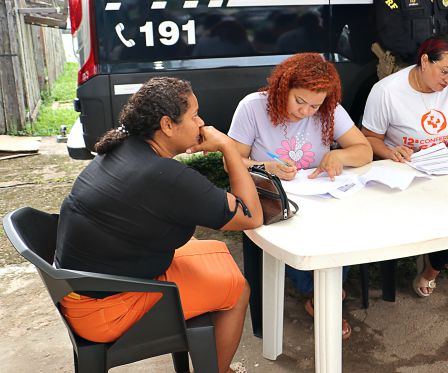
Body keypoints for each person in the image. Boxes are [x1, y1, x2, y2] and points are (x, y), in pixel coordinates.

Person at [55, 77, 262, 373]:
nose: (202, 123)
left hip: (85, 285)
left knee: (214, 249)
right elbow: (251, 216)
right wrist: (228, 147)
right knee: (238, 289)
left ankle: (212, 361)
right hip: (106, 307)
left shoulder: (123, 145)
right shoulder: (165, 177)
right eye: (194, 116)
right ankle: (217, 370)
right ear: (167, 125)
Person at [227, 52, 372, 339]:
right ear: (283, 88)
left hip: (318, 196)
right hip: (271, 198)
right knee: (293, 235)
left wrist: (338, 155)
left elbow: (364, 150)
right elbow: (230, 162)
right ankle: (319, 291)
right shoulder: (253, 107)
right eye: (300, 101)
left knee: (344, 227)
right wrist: (267, 166)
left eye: (314, 106)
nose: (306, 112)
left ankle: (323, 290)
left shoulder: (329, 109)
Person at [362, 35, 448, 297]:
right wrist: (389, 151)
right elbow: (368, 139)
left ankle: (432, 268)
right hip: (407, 171)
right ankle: (441, 249)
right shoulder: (387, 91)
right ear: (424, 61)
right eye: (445, 71)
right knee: (432, 205)